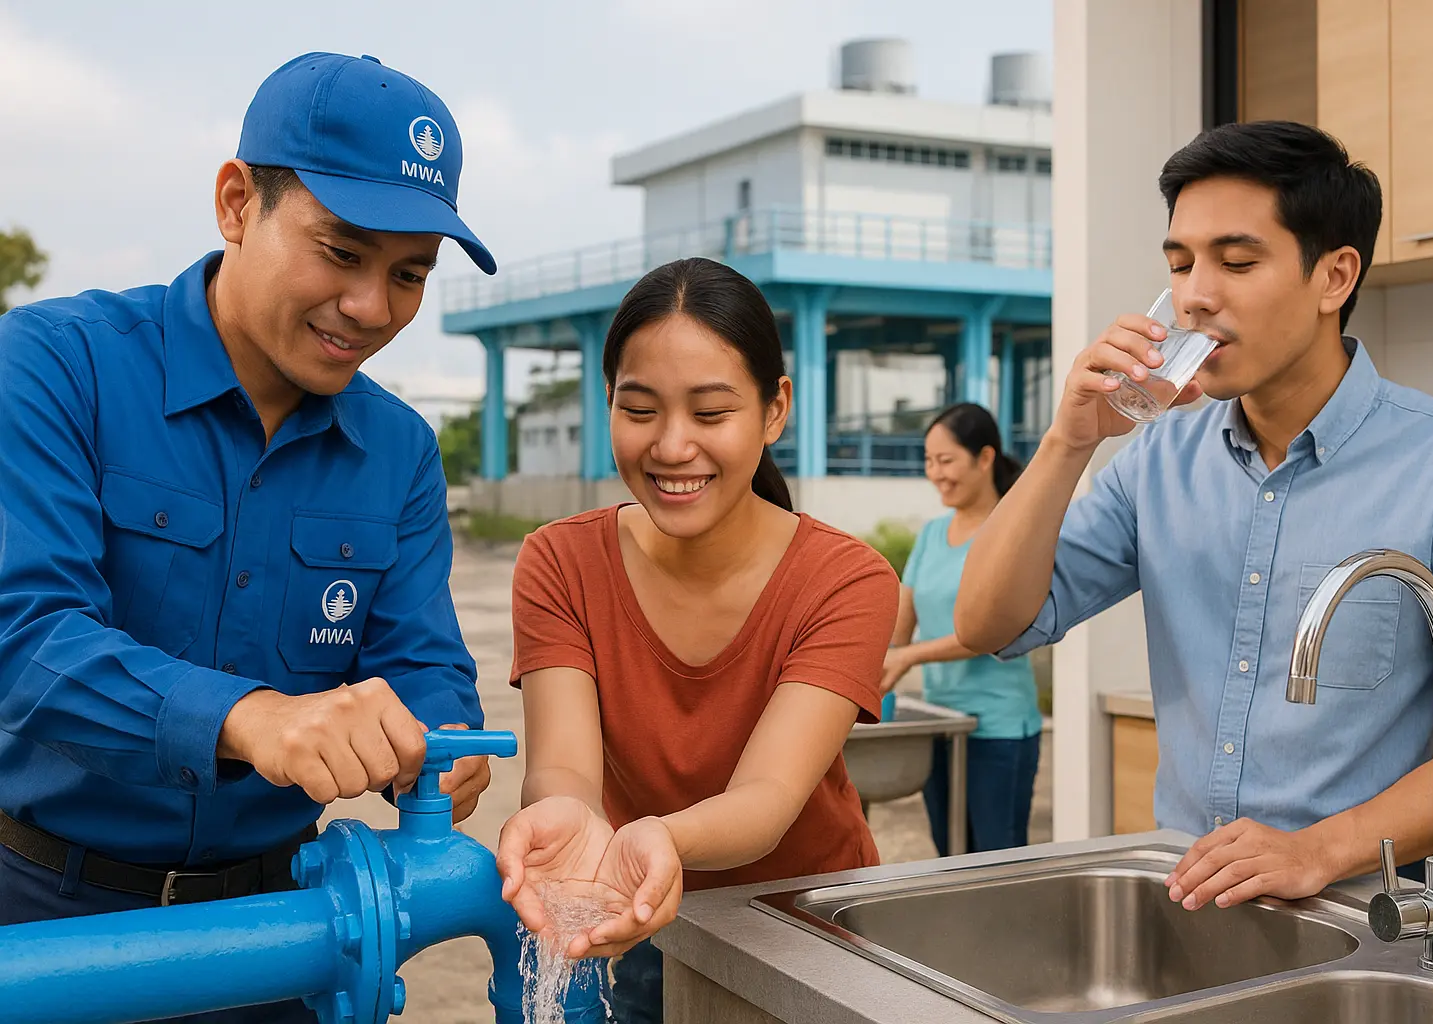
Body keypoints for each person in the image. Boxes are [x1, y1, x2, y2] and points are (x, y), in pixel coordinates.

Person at [0, 53, 495, 1022]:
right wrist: (256, 718)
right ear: (236, 202)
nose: (371, 308)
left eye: (409, 275)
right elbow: (23, 635)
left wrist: (437, 741)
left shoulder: (397, 449)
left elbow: (421, 658)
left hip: (287, 935)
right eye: (342, 252)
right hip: (48, 918)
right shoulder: (54, 366)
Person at [956, 120, 1433, 913]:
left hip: (1377, 922)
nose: (1196, 293)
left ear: (1334, 278)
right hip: (1194, 909)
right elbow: (990, 623)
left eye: (1236, 261)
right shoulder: (1156, 461)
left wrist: (1320, 849)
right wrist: (1067, 441)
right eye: (1179, 263)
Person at [496, 257, 900, 1023]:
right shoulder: (560, 561)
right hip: (640, 913)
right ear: (608, 401)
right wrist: (576, 826)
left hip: (813, 930)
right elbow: (564, 769)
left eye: (711, 414)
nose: (673, 447)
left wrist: (654, 838)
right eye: (640, 410)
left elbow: (769, 797)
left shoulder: (847, 579)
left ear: (774, 409)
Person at [883, 403, 1042, 855]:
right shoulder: (933, 534)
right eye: (929, 461)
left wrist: (910, 656)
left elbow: (995, 629)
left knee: (997, 867)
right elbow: (899, 625)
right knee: (949, 861)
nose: (935, 473)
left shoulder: (1011, 531)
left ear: (985, 458)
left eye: (946, 460)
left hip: (999, 729)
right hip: (941, 725)